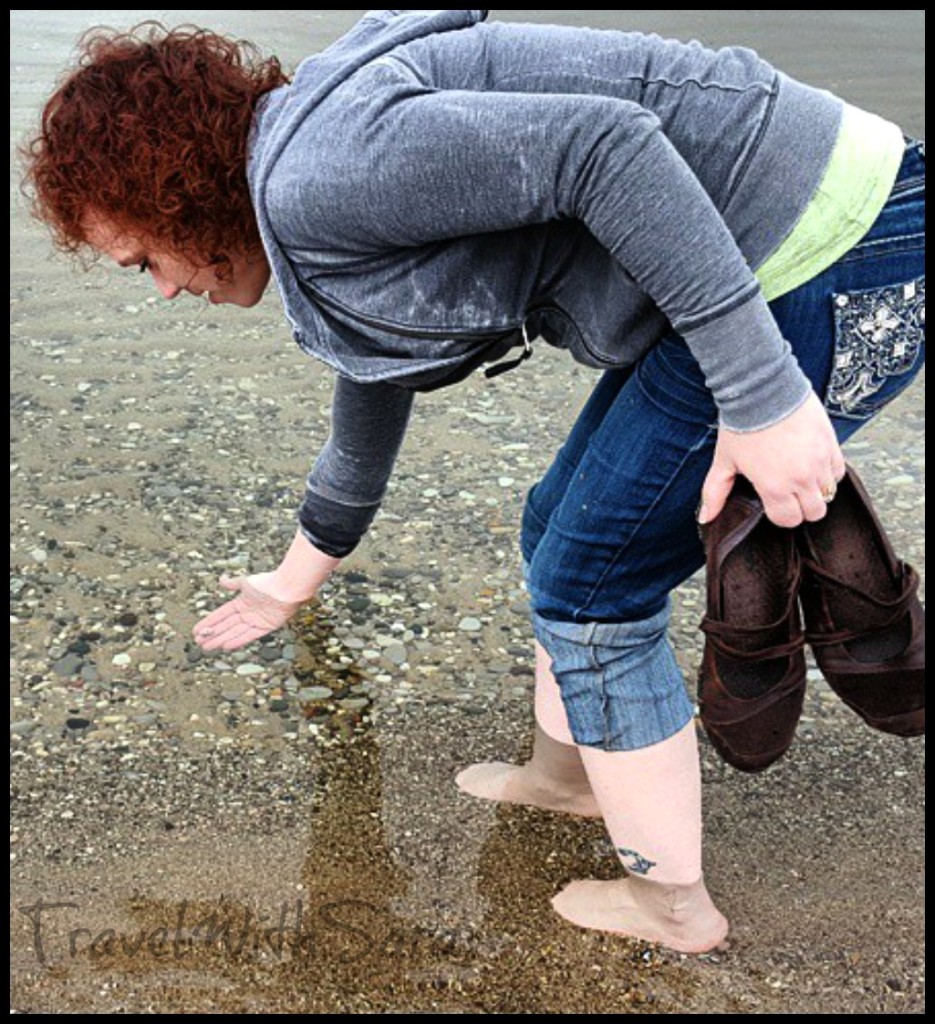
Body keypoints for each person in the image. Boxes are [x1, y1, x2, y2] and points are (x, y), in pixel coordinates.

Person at [24, 11, 925, 954]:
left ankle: (672, 908)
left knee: (593, 586)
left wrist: (762, 394)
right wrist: (296, 575)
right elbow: (374, 374)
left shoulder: (318, 177)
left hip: (842, 247)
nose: (161, 290)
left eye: (142, 260)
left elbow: (605, 148)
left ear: (176, 197)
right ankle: (569, 779)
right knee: (556, 531)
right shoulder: (308, 182)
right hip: (771, 241)